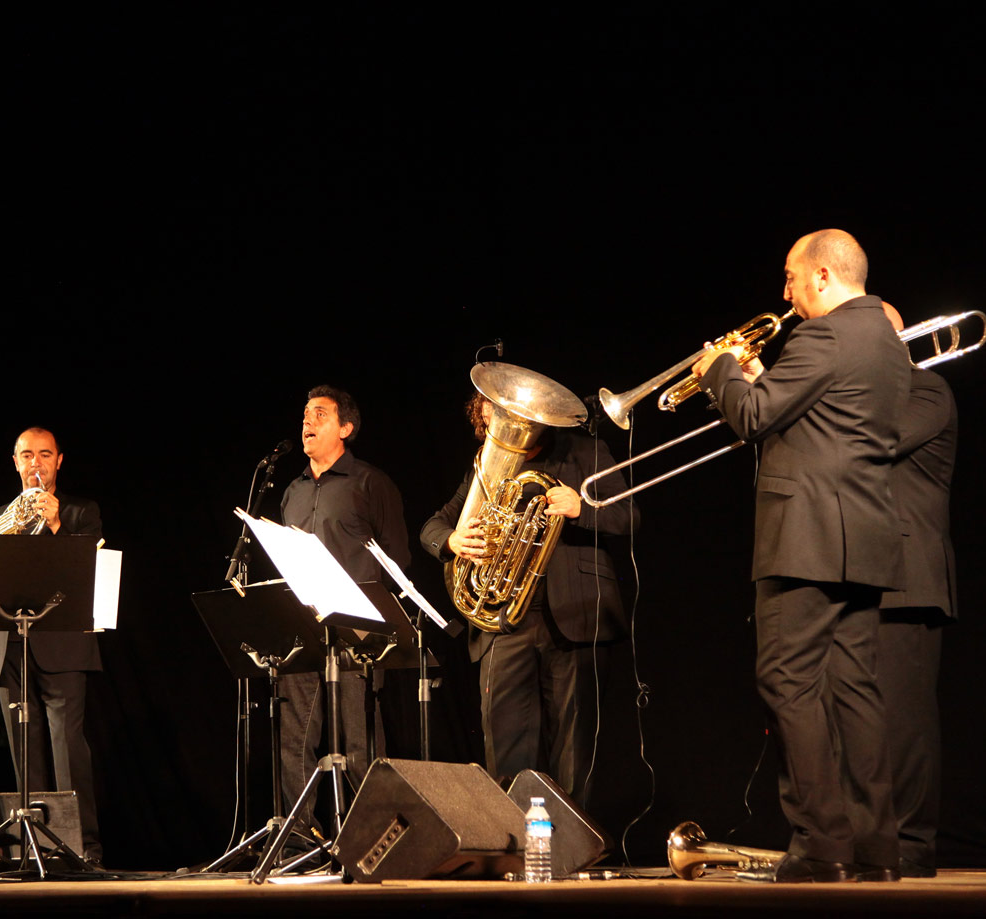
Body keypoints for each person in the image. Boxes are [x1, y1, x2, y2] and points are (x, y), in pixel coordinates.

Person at [691, 229, 910, 883]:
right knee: (855, 691)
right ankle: (875, 846)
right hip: (863, 537)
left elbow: (752, 419)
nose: (784, 292)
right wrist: (759, 379)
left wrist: (721, 370)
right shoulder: (886, 341)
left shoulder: (824, 335)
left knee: (787, 681)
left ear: (821, 275)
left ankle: (822, 841)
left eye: (790, 276)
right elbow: (822, 417)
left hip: (807, 539)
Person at [420, 394, 638, 804]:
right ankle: (514, 838)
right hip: (504, 622)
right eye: (494, 410)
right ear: (483, 416)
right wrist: (451, 540)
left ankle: (571, 841)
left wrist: (582, 508)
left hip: (575, 616)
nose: (506, 418)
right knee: (505, 752)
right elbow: (434, 525)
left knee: (574, 753)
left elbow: (628, 515)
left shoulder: (585, 451)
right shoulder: (486, 465)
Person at [277, 385, 409, 827]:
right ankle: (301, 837)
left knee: (359, 742)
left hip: (357, 625)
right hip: (302, 623)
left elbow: (397, 559)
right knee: (295, 737)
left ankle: (376, 835)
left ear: (346, 428)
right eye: (305, 413)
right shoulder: (292, 490)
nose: (307, 421)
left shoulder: (370, 483)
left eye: (320, 414)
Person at [0, 427, 105, 865]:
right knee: (24, 754)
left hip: (63, 646)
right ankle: (33, 847)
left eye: (45, 455)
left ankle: (83, 849)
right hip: (9, 646)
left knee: (68, 749)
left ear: (59, 461)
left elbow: (86, 573)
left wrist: (55, 525)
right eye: (28, 455)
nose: (36, 463)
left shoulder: (81, 512)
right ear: (15, 462)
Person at [878, 303, 959, 878]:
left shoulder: (927, 390)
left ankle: (911, 843)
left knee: (902, 721)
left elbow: (871, 441)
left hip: (908, 575)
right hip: (852, 570)